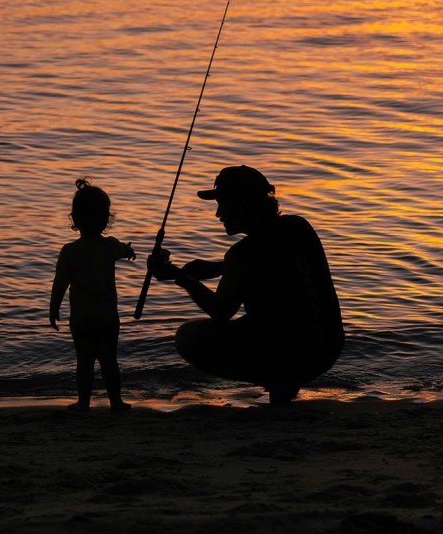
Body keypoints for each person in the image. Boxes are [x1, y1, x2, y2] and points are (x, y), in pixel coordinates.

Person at [147, 165, 344, 404]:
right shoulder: (298, 227)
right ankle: (283, 384)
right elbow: (275, 261)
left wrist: (180, 277)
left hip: (289, 354)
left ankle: (278, 381)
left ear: (241, 204)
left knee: (188, 336)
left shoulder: (242, 254)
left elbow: (221, 311)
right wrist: (220, 267)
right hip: (327, 347)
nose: (218, 214)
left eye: (222, 204)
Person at [50, 178, 136, 412]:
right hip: (107, 316)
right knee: (109, 361)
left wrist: (53, 309)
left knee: (84, 362)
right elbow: (127, 251)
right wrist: (130, 250)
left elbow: (60, 284)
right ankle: (116, 402)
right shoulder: (110, 246)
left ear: (75, 219)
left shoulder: (69, 251)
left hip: (81, 317)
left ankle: (83, 403)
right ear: (107, 219)